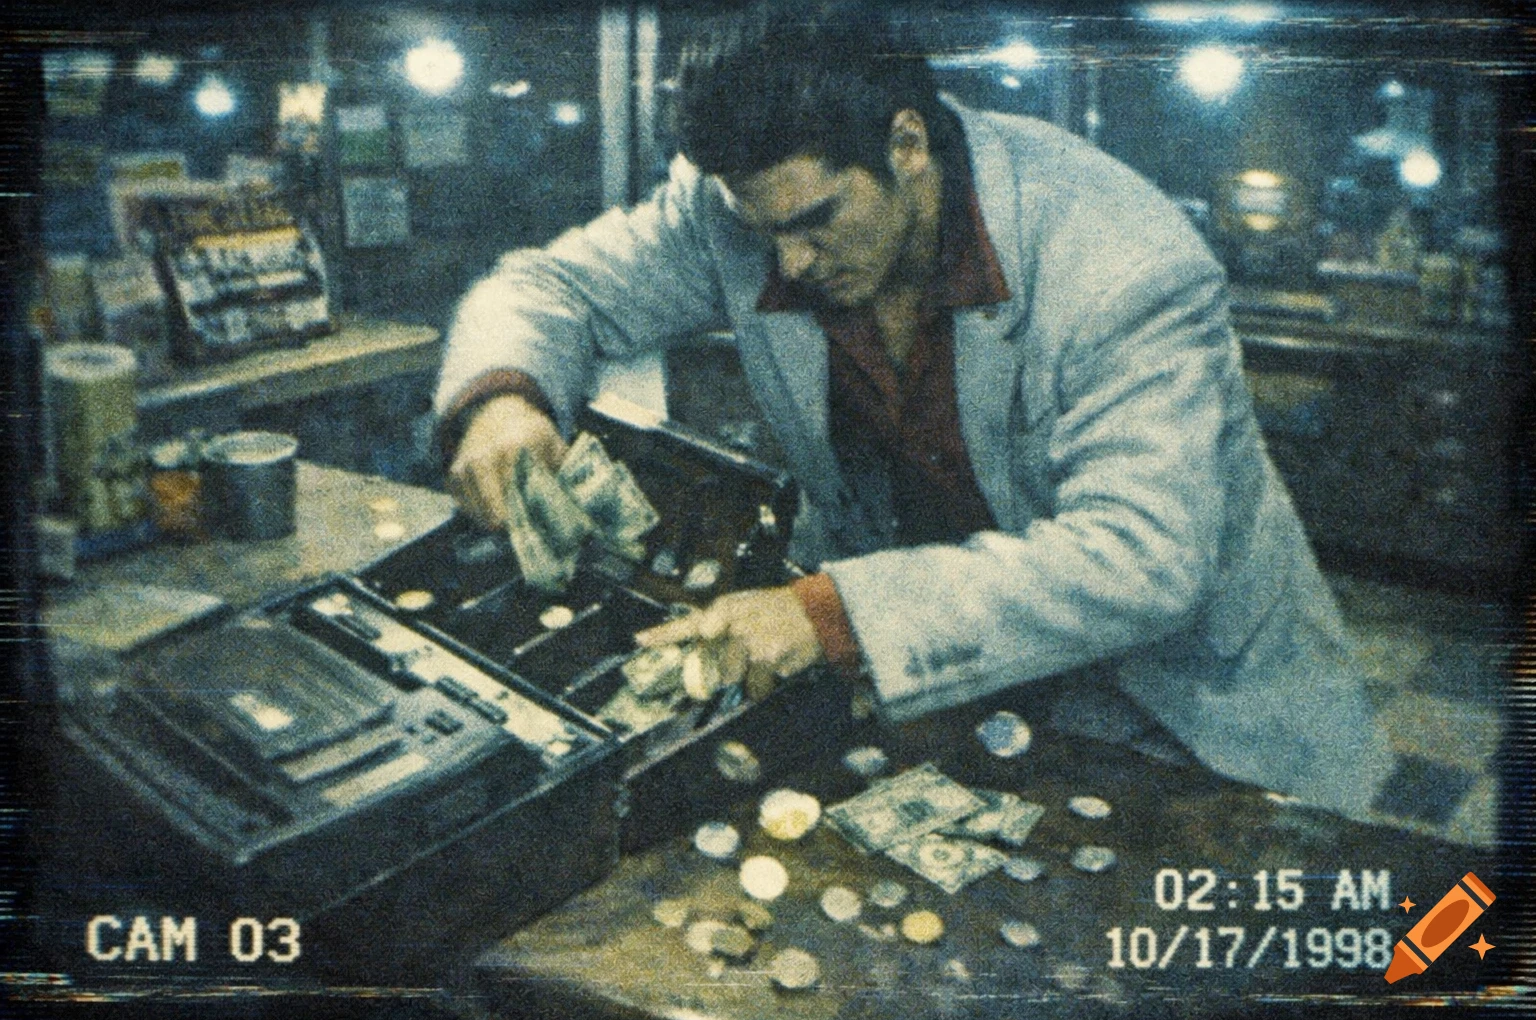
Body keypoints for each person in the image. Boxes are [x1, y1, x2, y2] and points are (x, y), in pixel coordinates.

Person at [435, 0, 1397, 822]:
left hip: (1187, 715)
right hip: (942, 685)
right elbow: (546, 289)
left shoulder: (1122, 261)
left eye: (814, 223)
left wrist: (834, 614)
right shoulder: (753, 210)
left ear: (906, 144)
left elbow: (1145, 554)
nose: (787, 266)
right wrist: (505, 401)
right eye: (763, 233)